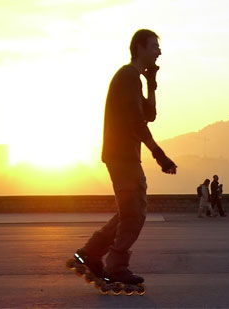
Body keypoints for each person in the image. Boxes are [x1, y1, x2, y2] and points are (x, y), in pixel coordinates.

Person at [68, 29, 176, 292]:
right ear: (139, 47)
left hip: (122, 155)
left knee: (128, 212)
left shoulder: (134, 78)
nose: (159, 52)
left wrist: (151, 82)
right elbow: (136, 122)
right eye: (154, 46)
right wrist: (158, 154)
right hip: (123, 156)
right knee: (135, 214)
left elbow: (149, 114)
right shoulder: (127, 76)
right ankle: (116, 266)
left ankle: (90, 254)